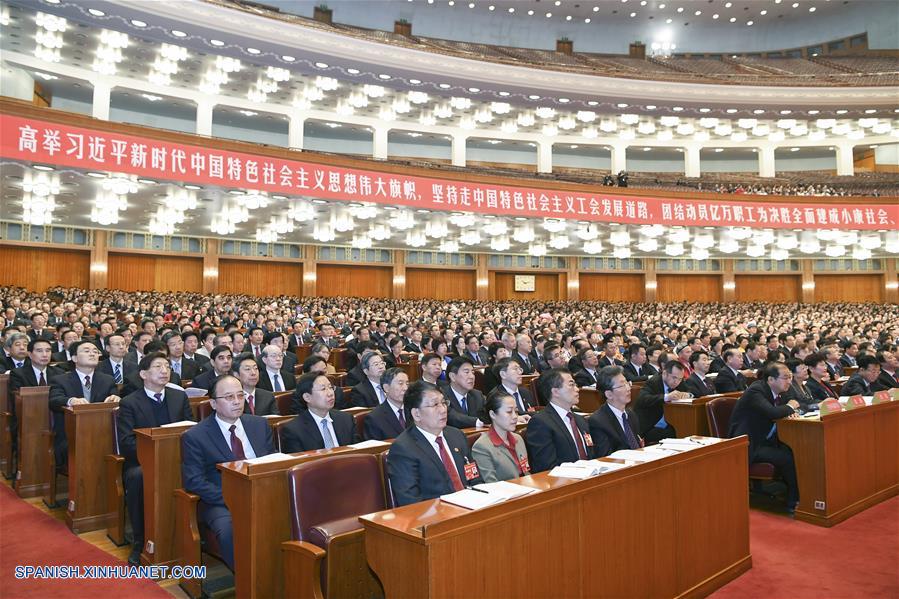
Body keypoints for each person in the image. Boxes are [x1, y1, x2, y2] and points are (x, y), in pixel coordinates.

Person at [181, 374, 273, 570]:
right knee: (230, 530)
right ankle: (247, 581)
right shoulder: (195, 436)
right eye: (229, 397)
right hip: (221, 502)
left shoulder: (259, 425)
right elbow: (194, 481)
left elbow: (272, 462)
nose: (237, 402)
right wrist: (233, 497)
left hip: (264, 493)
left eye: (240, 395)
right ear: (213, 403)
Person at [117, 353, 193, 564]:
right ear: (143, 374)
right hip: (143, 462)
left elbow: (191, 432)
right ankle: (141, 540)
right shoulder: (129, 403)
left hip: (179, 458)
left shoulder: (179, 397)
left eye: (167, 366)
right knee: (139, 478)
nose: (164, 370)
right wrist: (157, 456)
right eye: (158, 366)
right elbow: (127, 443)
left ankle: (190, 536)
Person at [387, 381, 482, 506]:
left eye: (443, 403)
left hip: (472, 508)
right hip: (438, 517)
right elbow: (410, 501)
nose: (443, 410)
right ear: (416, 414)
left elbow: (474, 478)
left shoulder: (456, 436)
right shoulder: (403, 448)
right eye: (435, 405)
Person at [728, 363, 801, 513]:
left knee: (799, 449)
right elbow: (772, 412)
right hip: (749, 443)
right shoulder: (756, 390)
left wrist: (792, 410)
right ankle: (794, 501)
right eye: (785, 378)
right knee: (787, 456)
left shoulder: (781, 390)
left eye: (790, 377)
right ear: (771, 380)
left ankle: (800, 494)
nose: (789, 381)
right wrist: (790, 407)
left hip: (768, 440)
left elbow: (799, 403)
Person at [48, 340, 120, 466]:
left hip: (103, 432)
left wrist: (116, 398)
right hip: (72, 435)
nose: (92, 354)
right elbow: (54, 401)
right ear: (74, 358)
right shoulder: (60, 380)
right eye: (86, 351)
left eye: (95, 351)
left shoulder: (107, 380)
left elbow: (115, 397)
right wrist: (71, 401)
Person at [526, 368, 594, 472]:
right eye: (571, 385)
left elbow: (592, 454)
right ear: (556, 391)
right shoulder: (540, 423)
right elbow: (546, 467)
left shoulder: (580, 420)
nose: (577, 389)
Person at [279, 372, 359, 453]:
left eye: (330, 387)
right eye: (323, 389)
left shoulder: (346, 419)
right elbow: (298, 462)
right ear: (307, 397)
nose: (330, 393)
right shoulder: (293, 430)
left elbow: (358, 453)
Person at [471, 389, 530, 482]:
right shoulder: (482, 446)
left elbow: (527, 472)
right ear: (493, 414)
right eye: (509, 412)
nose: (515, 416)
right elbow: (491, 484)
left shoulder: (518, 439)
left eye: (516, 411)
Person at [588, 366, 643, 457]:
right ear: (609, 394)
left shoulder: (631, 415)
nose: (628, 388)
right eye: (622, 385)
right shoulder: (598, 421)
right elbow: (605, 456)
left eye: (627, 383)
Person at [633, 361, 689, 444]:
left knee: (686, 430)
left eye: (680, 379)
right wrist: (666, 397)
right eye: (674, 378)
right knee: (677, 435)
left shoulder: (678, 382)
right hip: (650, 426)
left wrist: (688, 394)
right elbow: (643, 399)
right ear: (665, 373)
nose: (677, 382)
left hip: (670, 423)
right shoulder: (653, 382)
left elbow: (690, 391)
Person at [363, 368, 410, 440]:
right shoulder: (374, 418)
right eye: (400, 383)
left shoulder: (414, 410)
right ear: (386, 388)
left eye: (407, 383)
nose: (405, 388)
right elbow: (377, 449)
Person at [442, 357, 485, 428]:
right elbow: (449, 415)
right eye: (466, 372)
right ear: (453, 376)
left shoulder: (477, 395)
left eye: (473, 372)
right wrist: (477, 422)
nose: (472, 376)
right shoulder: (441, 395)